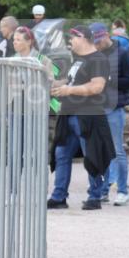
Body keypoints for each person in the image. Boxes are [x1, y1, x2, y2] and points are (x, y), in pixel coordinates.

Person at [47, 26, 115, 210]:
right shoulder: (78, 59)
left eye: (73, 38)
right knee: (61, 155)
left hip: (88, 115)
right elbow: (72, 81)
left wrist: (68, 90)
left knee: (92, 155)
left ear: (83, 38)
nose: (70, 41)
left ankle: (95, 197)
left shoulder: (98, 59)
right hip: (69, 114)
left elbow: (96, 87)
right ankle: (59, 196)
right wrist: (55, 83)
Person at [90, 22, 129, 206]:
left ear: (106, 36)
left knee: (117, 151)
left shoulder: (122, 54)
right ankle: (103, 190)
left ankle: (123, 191)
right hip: (97, 107)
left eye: (98, 41)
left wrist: (110, 80)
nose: (96, 45)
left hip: (114, 107)